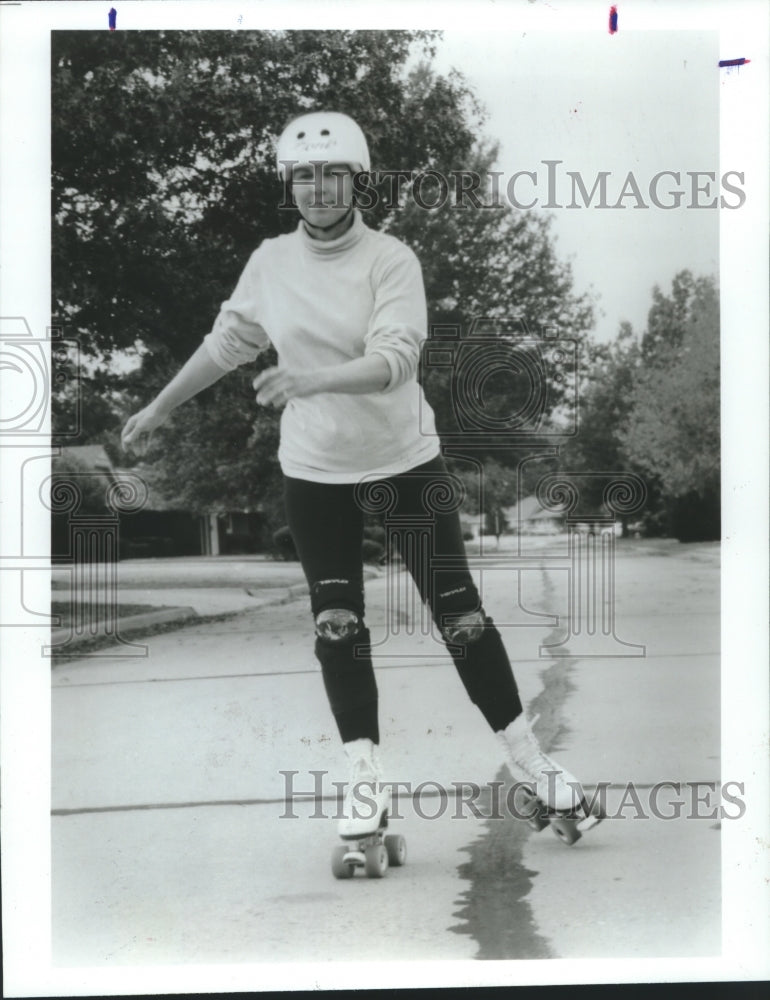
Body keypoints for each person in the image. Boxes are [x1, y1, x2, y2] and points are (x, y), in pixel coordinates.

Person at [121, 110, 585, 839]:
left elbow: (396, 359)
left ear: (357, 180)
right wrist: (157, 406)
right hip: (316, 469)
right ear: (291, 185)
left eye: (333, 173)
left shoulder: (391, 260)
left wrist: (308, 381)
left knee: (461, 618)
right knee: (337, 625)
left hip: (406, 460)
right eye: (304, 175)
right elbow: (226, 344)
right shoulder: (271, 262)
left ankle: (533, 766)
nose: (318, 188)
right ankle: (364, 777)